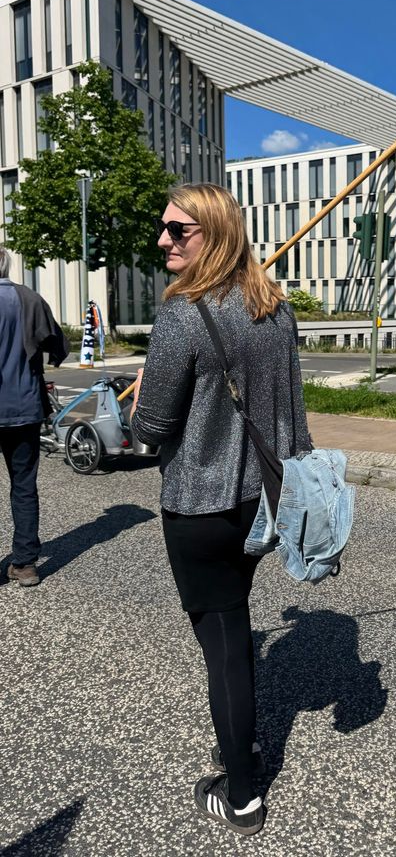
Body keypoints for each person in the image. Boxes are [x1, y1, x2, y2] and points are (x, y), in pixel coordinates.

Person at [131, 184, 311, 837]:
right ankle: (243, 745)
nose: (163, 242)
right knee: (233, 627)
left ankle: (240, 792)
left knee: (226, 644)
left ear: (213, 232)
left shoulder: (182, 315)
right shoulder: (274, 306)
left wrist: (140, 400)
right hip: (262, 502)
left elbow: (151, 426)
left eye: (177, 231)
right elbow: (292, 411)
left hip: (200, 507)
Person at [0, 247, 69, 587]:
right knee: (23, 486)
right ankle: (25, 564)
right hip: (24, 408)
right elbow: (57, 345)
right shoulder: (29, 298)